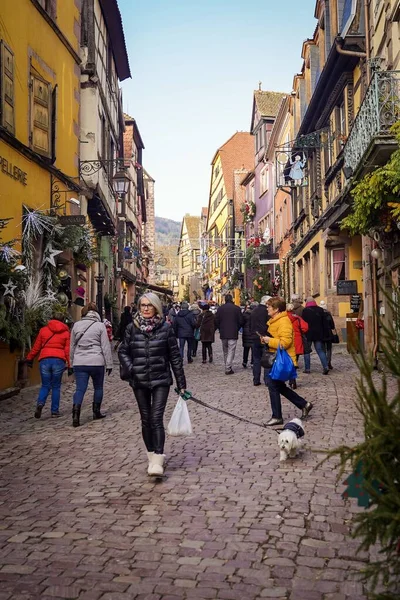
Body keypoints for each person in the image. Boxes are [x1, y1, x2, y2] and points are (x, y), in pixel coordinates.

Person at [118, 292, 187, 476]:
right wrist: (132, 369)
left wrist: (182, 384)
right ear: (139, 308)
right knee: (145, 419)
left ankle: (157, 458)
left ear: (156, 307)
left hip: (160, 380)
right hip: (139, 380)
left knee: (156, 419)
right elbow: (122, 351)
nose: (146, 308)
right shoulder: (132, 328)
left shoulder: (165, 328)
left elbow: (175, 357)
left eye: (149, 305)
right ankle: (151, 456)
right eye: (143, 305)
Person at [261, 297, 313, 426]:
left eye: (269, 306)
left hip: (280, 360)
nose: (267, 308)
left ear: (277, 309)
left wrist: (269, 341)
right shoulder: (274, 321)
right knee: (278, 386)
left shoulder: (284, 321)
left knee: (273, 385)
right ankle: (303, 404)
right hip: (275, 357)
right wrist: (265, 340)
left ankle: (277, 416)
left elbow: (285, 342)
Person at [70, 302, 113, 427]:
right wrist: (109, 364)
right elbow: (105, 346)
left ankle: (76, 415)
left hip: (80, 362)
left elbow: (72, 346)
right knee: (98, 387)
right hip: (96, 361)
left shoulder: (76, 325)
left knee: (79, 389)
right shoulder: (100, 326)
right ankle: (96, 412)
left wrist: (71, 363)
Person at [26, 312, 71, 419]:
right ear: (63, 320)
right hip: (58, 361)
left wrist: (29, 358)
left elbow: (36, 347)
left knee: (45, 385)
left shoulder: (43, 330)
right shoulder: (66, 333)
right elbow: (67, 351)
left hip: (44, 360)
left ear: (52, 318)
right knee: (56, 386)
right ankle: (54, 411)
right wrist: (70, 364)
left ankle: (40, 403)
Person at [214, 294, 244, 375]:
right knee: (231, 350)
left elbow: (216, 320)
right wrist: (237, 328)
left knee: (225, 350)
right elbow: (241, 321)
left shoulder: (220, 309)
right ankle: (228, 367)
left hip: (223, 332)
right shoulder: (237, 309)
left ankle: (227, 365)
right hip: (233, 332)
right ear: (232, 299)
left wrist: (220, 328)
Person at [301, 297, 330, 374]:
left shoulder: (305, 311)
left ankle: (307, 369)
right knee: (320, 350)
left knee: (307, 351)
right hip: (318, 333)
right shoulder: (320, 310)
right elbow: (324, 323)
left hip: (308, 333)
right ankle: (325, 366)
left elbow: (303, 323)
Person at [286, 303, 309, 389]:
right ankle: (293, 380)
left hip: (287, 341)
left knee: (288, 362)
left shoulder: (284, 318)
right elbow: (305, 327)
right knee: (294, 361)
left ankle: (290, 379)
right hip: (297, 341)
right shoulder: (297, 318)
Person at [249, 295, 271, 386]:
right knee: (267, 359)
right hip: (265, 337)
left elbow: (250, 325)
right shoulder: (267, 311)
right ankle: (267, 380)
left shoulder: (254, 311)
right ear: (266, 303)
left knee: (256, 359)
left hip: (255, 337)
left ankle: (256, 380)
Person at [320, 300, 336, 370]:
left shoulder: (319, 314)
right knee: (329, 348)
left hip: (321, 333)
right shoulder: (328, 314)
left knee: (323, 349)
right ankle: (328, 362)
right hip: (328, 333)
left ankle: (324, 363)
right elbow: (332, 325)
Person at [242, 302, 257, 368]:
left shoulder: (245, 314)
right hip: (253, 332)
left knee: (246, 348)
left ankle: (244, 361)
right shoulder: (256, 315)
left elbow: (242, 322)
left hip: (246, 333)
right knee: (253, 349)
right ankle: (252, 362)